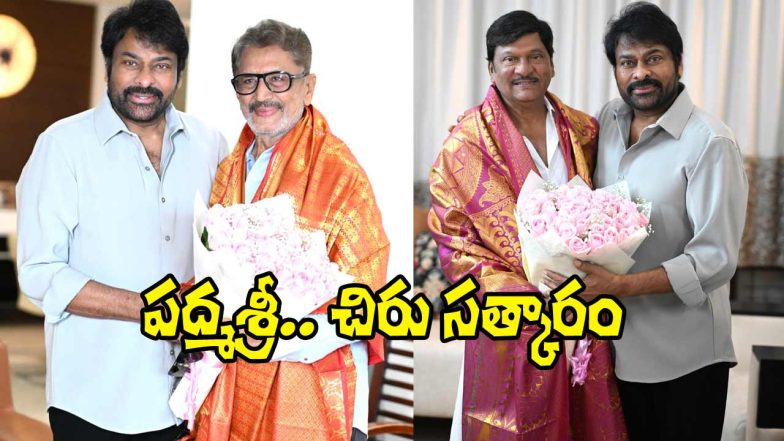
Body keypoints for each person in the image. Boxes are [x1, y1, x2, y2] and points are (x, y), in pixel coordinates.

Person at [15, 0, 228, 439]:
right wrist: (153, 309)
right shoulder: (62, 146)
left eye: (161, 65)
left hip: (187, 398)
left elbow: (224, 251)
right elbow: (39, 272)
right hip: (92, 400)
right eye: (131, 63)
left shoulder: (211, 144)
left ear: (178, 73)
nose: (146, 80)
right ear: (110, 64)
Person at [543, 3, 748, 440]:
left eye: (653, 58)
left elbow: (715, 259)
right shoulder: (607, 122)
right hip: (612, 350)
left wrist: (621, 287)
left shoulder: (710, 143)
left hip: (686, 357)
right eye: (627, 62)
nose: (640, 73)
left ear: (678, 62)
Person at [429, 10, 627, 441]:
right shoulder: (463, 145)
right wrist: (528, 290)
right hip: (511, 315)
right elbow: (454, 243)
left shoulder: (583, 130)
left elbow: (601, 208)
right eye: (510, 59)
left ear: (552, 64)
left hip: (582, 303)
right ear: (491, 68)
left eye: (535, 57)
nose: (524, 69)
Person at [186, 19, 389, 441]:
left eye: (278, 79)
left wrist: (278, 336)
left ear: (308, 86)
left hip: (308, 378)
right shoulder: (228, 169)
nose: (262, 94)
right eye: (248, 80)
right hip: (231, 371)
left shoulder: (340, 171)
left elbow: (364, 292)